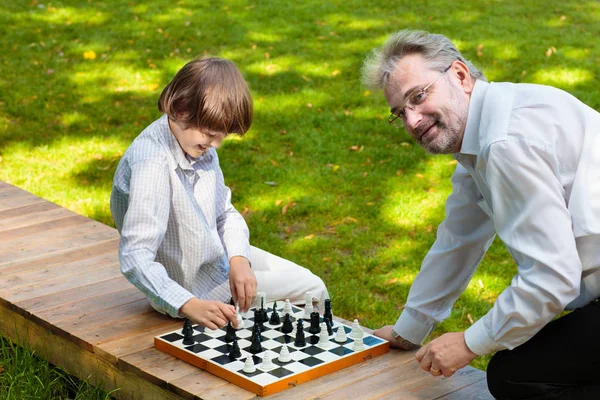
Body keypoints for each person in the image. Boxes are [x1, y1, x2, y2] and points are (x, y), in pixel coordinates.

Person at [361, 30, 600, 399]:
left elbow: (553, 276)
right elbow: (459, 238)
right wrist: (410, 328)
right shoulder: (485, 130)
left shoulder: (504, 142)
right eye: (399, 113)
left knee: (513, 377)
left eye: (418, 97)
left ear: (459, 75)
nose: (412, 121)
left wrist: (470, 343)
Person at [110, 56, 328, 331]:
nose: (216, 145)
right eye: (212, 134)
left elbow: (224, 211)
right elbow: (136, 255)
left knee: (304, 279)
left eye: (221, 135)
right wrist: (188, 304)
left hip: (213, 256)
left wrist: (239, 258)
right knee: (313, 289)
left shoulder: (193, 139)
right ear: (179, 109)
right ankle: (302, 364)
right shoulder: (152, 164)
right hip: (191, 287)